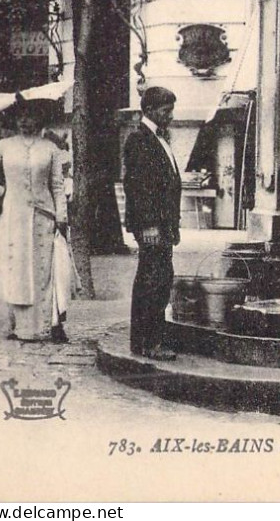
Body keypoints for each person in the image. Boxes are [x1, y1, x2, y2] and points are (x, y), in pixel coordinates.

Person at [0, 94, 68, 343]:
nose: (26, 122)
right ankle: (19, 327)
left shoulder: (50, 148)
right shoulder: (5, 145)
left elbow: (57, 186)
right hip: (13, 216)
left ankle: (48, 326)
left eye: (31, 117)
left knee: (45, 270)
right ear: (15, 120)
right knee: (18, 269)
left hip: (43, 216)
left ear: (39, 119)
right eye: (21, 117)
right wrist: (1, 192)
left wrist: (61, 215)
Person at [123, 85, 181, 361]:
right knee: (153, 282)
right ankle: (148, 342)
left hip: (162, 225)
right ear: (149, 110)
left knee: (160, 279)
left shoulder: (159, 138)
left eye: (171, 110)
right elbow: (139, 187)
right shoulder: (139, 140)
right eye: (165, 110)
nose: (170, 115)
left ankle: (147, 340)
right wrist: (149, 226)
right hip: (152, 227)